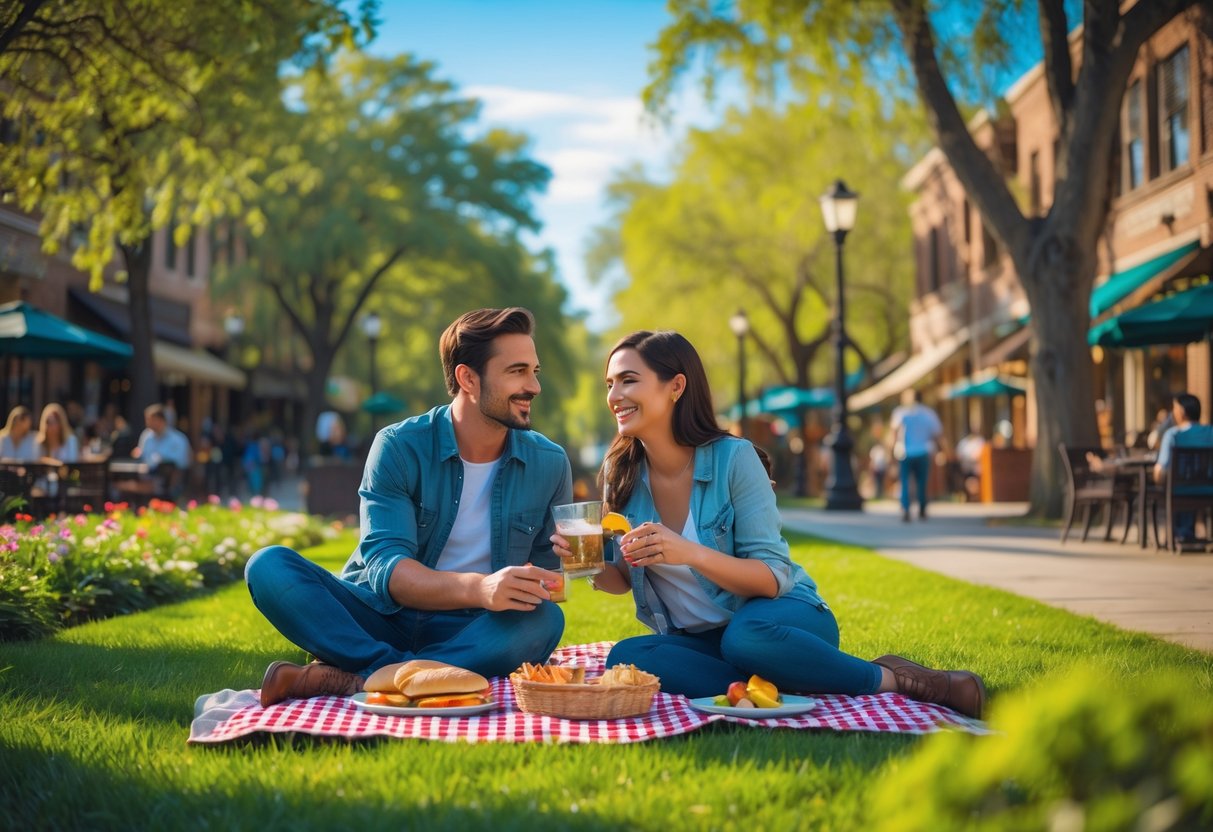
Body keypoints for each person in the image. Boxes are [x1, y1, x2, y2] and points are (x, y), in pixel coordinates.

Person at [551, 330, 984, 718]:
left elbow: (773, 578)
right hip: (705, 641)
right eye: (610, 384)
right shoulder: (620, 472)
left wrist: (689, 553)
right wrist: (585, 566)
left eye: (628, 380)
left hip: (781, 619)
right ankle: (783, 680)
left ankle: (895, 679)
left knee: (747, 639)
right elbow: (624, 577)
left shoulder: (733, 459)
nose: (614, 395)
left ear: (676, 386)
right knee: (628, 656)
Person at [246, 308, 571, 706]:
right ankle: (417, 674)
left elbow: (541, 583)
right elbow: (386, 570)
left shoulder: (550, 463)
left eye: (535, 371)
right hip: (379, 615)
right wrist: (480, 587)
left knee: (543, 620)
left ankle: (358, 678)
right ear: (468, 378)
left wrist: (563, 568)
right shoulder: (399, 446)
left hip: (468, 628)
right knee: (268, 566)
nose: (534, 386)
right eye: (518, 371)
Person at [1153, 392, 1213, 545]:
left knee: (1164, 481)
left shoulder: (1173, 434)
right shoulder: (1211, 432)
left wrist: (1156, 477)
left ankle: (1181, 533)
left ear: (1181, 412)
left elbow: (1161, 469)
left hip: (1179, 490)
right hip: (1208, 489)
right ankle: (1186, 533)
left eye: (1174, 409)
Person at [889, 389, 944, 522]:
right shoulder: (929, 414)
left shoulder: (901, 413)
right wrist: (942, 451)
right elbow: (937, 434)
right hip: (923, 451)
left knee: (905, 481)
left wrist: (890, 453)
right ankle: (922, 507)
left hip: (905, 453)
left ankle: (906, 507)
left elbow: (894, 434)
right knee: (922, 482)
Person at [954, 429, 987, 502]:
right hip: (966, 467)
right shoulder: (963, 443)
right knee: (970, 481)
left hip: (976, 468)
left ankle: (976, 497)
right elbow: (960, 455)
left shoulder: (980, 441)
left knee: (974, 481)